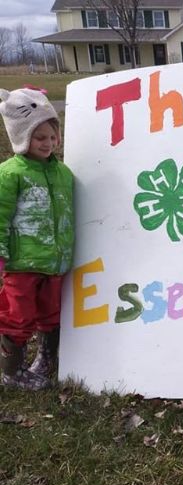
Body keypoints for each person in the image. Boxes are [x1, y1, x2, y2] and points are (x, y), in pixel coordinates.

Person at [0, 87, 74, 390]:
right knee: (18, 315)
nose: (47, 143)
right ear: (21, 137)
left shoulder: (64, 173)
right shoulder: (10, 174)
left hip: (54, 262)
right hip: (22, 263)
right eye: (39, 137)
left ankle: (46, 359)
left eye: (52, 136)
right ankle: (11, 371)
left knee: (51, 313)